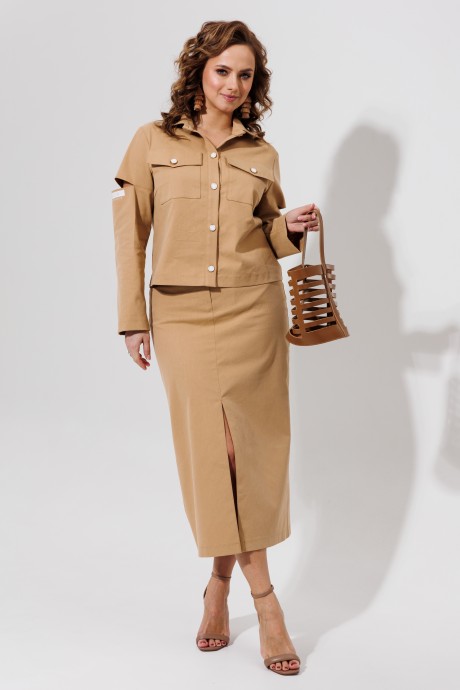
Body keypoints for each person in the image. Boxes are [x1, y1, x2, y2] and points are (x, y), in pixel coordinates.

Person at [111, 19, 320, 677]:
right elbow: (130, 235)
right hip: (181, 317)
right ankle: (266, 601)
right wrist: (133, 319)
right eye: (223, 70)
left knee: (247, 456)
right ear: (199, 70)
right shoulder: (151, 141)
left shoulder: (263, 154)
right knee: (215, 455)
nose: (233, 84)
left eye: (245, 75)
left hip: (253, 311)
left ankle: (220, 587)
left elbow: (268, 235)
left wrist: (289, 228)